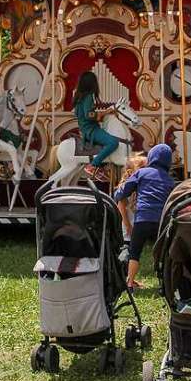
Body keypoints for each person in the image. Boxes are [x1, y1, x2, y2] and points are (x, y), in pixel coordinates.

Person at [114, 144, 176, 290]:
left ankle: (129, 283)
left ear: (151, 157)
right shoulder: (169, 180)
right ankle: (165, 283)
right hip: (161, 222)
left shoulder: (142, 173)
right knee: (164, 254)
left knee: (134, 253)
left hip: (142, 219)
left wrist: (118, 194)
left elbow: (123, 192)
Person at [72, 71, 119, 182]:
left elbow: (84, 113)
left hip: (85, 128)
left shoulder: (80, 97)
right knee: (113, 142)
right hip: (91, 130)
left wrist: (101, 113)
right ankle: (93, 166)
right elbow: (89, 115)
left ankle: (102, 167)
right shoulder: (88, 97)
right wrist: (105, 112)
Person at [115, 153, 148, 243]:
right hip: (129, 228)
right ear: (130, 172)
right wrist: (128, 226)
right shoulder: (125, 188)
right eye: (142, 168)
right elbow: (121, 208)